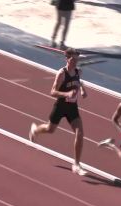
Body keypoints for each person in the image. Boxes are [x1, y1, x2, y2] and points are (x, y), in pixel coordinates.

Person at [29, 48, 88, 176]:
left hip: (72, 107)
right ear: (67, 59)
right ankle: (35, 130)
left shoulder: (79, 71)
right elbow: (52, 92)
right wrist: (67, 93)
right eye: (72, 59)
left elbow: (79, 82)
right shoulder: (61, 74)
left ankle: (76, 164)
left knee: (80, 132)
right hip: (61, 106)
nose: (74, 61)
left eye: (76, 59)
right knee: (50, 129)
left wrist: (82, 90)